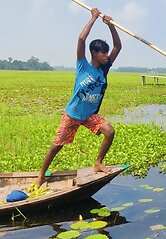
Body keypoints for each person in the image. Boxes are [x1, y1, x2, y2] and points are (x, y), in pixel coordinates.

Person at [35, 8, 122, 187]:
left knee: (109, 131)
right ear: (94, 54)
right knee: (57, 145)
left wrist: (110, 26)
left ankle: (98, 163)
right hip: (73, 114)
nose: (106, 56)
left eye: (106, 53)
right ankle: (41, 175)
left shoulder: (104, 69)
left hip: (89, 115)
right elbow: (81, 39)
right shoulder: (83, 66)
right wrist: (93, 18)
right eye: (103, 53)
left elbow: (118, 47)